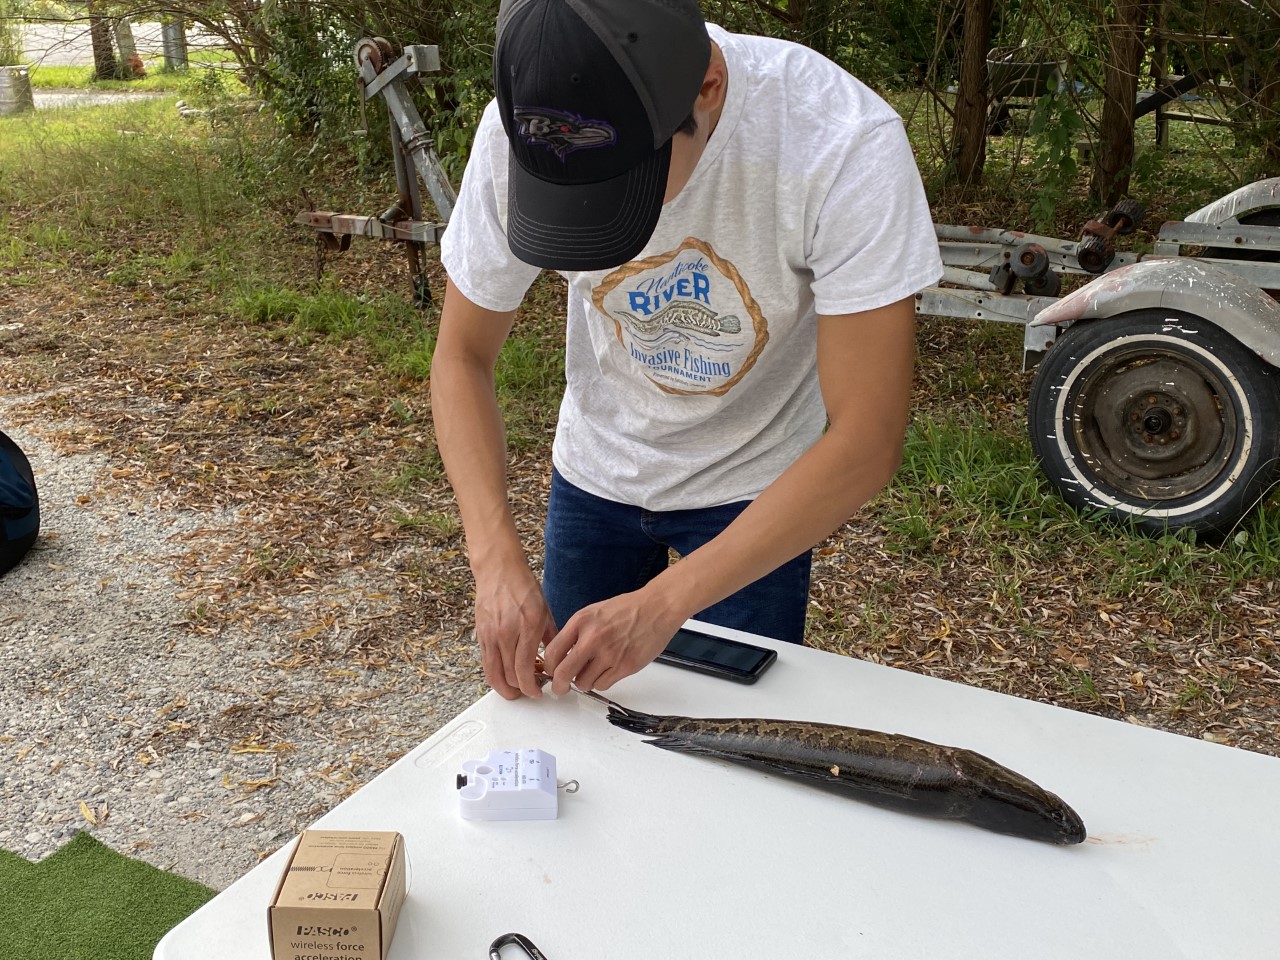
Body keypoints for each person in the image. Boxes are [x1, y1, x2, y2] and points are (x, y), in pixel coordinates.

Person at [429, 0, 943, 701]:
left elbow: (865, 438)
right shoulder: (521, 127)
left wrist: (666, 604)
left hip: (754, 486)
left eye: (620, 189)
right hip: (596, 469)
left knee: (728, 742)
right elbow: (462, 356)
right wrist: (493, 563)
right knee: (575, 722)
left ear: (708, 86)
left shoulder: (840, 143)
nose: (593, 215)